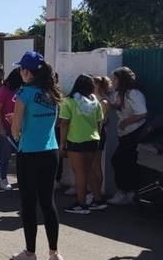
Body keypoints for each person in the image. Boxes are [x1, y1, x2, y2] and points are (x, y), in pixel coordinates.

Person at [9, 51, 63, 260]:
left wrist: (15, 128)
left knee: (29, 204)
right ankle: (54, 253)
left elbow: (16, 127)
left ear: (25, 71)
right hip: (50, 151)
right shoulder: (52, 93)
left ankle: (30, 254)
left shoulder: (24, 93)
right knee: (48, 202)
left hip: (29, 153)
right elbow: (52, 122)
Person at [59, 75, 105, 215]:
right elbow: (99, 123)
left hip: (76, 140)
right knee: (89, 169)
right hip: (93, 139)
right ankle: (97, 200)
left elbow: (64, 124)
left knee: (79, 171)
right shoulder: (94, 101)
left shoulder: (69, 101)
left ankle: (81, 203)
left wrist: (62, 142)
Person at [107, 67, 147, 205]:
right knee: (125, 162)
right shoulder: (120, 94)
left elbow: (142, 113)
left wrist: (125, 122)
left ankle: (125, 192)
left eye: (116, 79)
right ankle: (129, 192)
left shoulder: (134, 94)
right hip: (124, 134)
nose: (113, 81)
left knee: (120, 160)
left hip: (134, 132)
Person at [0, 67, 23, 191]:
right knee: (5, 155)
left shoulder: (22, 90)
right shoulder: (4, 90)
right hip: (7, 128)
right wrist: (1, 128)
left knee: (21, 155)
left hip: (21, 128)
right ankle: (3, 179)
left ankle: (22, 179)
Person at [92, 75, 112, 197]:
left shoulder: (103, 102)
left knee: (96, 166)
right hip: (91, 134)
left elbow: (101, 122)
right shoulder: (93, 100)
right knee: (91, 166)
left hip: (97, 135)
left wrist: (96, 138)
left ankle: (97, 194)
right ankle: (94, 192)